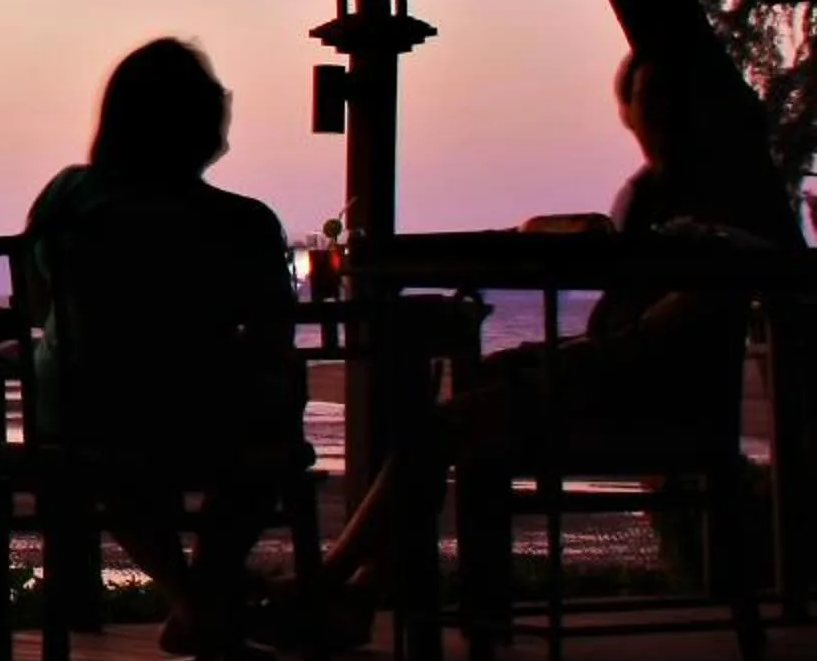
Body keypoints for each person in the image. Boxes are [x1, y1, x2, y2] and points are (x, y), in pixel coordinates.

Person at [314, 48, 795, 622]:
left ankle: (342, 583)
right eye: (651, 103)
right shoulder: (653, 197)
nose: (662, 117)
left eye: (672, 104)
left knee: (441, 427)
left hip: (626, 395)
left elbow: (656, 327)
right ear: (630, 115)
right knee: (462, 408)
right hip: (612, 380)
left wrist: (578, 355)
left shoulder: (716, 217)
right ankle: (365, 585)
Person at [22, 38, 304, 658]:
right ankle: (205, 591)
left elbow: (35, 307)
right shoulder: (239, 222)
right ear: (197, 122)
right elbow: (271, 333)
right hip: (188, 420)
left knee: (119, 457)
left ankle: (192, 597)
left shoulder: (67, 198)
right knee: (271, 436)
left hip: (74, 417)